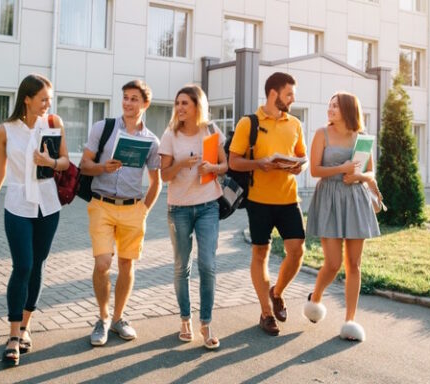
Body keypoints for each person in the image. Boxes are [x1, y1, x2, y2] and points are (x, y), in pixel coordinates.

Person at [0, 74, 69, 366]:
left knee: (38, 265)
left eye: (49, 100)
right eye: (43, 99)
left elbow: (66, 161)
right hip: (17, 204)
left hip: (48, 205)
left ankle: (26, 327)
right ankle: (13, 335)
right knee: (23, 265)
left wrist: (50, 163)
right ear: (26, 99)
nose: (47, 105)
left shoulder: (54, 124)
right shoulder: (5, 130)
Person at [80, 80, 162, 346]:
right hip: (101, 204)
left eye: (134, 98)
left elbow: (156, 181)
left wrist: (144, 210)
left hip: (132, 208)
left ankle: (118, 319)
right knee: (102, 263)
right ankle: (103, 318)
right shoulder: (102, 128)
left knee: (127, 264)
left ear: (145, 104)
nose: (128, 103)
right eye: (125, 97)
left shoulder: (151, 140)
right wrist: (103, 168)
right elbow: (84, 166)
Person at [228, 72, 307, 336]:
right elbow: (233, 161)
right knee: (260, 254)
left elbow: (300, 155)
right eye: (289, 94)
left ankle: (278, 292)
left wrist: (297, 167)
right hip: (258, 201)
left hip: (288, 199)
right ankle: (265, 313)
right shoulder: (247, 123)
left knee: (297, 251)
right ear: (274, 93)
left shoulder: (294, 124)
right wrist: (258, 164)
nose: (292, 99)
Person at [302, 91, 381, 342]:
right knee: (333, 263)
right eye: (329, 105)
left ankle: (350, 320)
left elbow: (370, 173)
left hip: (356, 200)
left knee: (354, 264)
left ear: (347, 110)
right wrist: (342, 168)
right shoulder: (321, 134)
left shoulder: (362, 139)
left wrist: (358, 176)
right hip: (329, 199)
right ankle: (315, 298)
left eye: (335, 106)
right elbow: (314, 170)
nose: (330, 109)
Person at [159, 85, 227, 349]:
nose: (180, 108)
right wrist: (181, 165)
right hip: (179, 208)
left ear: (198, 106)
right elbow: (164, 175)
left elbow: (225, 165)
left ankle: (206, 322)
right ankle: (185, 318)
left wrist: (212, 167)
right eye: (177, 103)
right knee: (181, 266)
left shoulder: (211, 130)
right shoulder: (170, 135)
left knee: (207, 264)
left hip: (208, 205)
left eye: (185, 103)